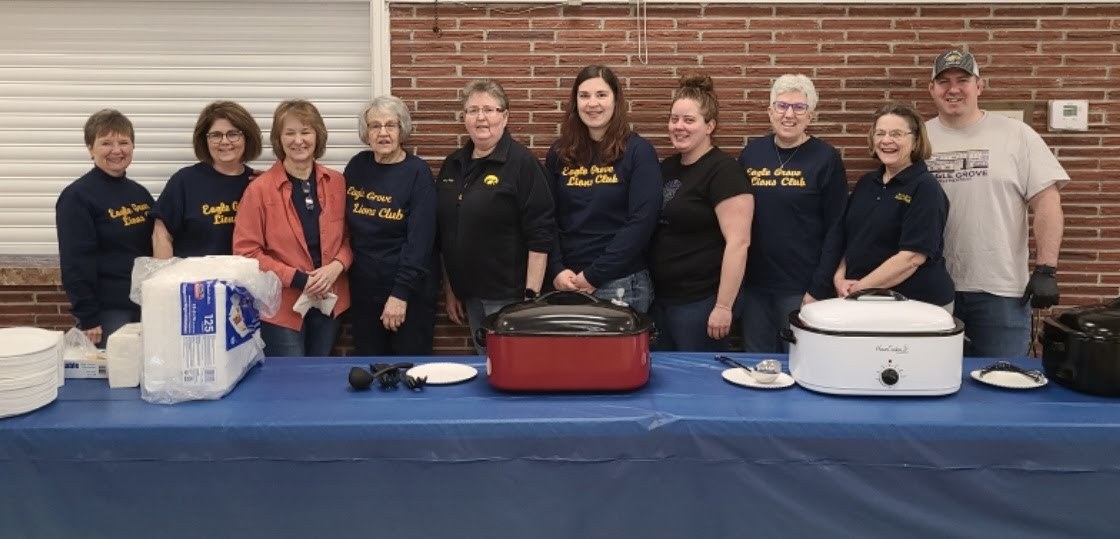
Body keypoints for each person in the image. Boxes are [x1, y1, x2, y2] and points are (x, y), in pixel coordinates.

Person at [925, 48, 1068, 358]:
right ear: (932, 89)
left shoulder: (1017, 135)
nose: (953, 89)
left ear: (979, 86)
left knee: (1004, 388)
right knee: (928, 386)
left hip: (999, 291)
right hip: (929, 289)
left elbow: (1047, 201)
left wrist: (1046, 269)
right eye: (944, 81)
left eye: (963, 79)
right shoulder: (917, 138)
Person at [436, 78, 556, 354]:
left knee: (513, 370)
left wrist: (530, 298)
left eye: (489, 110)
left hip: (509, 298)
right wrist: (452, 289)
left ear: (505, 116)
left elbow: (541, 233)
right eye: (473, 110)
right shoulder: (452, 164)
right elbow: (445, 230)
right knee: (488, 367)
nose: (481, 118)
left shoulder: (522, 164)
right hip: (470, 296)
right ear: (464, 117)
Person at [736, 74, 848, 353]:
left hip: (801, 289)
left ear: (810, 115)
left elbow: (837, 227)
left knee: (802, 364)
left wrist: (818, 288)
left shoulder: (826, 158)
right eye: (782, 106)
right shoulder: (752, 153)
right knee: (757, 368)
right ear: (770, 111)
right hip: (754, 288)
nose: (789, 114)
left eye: (799, 107)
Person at [233, 99, 351, 357]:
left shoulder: (337, 183)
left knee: (321, 376)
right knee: (289, 381)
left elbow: (351, 237)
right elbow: (246, 252)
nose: (299, 140)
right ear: (279, 138)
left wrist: (336, 267)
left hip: (329, 300)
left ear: (317, 136)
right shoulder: (259, 190)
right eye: (290, 132)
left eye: (306, 131)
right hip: (282, 306)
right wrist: (298, 279)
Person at [807, 103, 954, 310]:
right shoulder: (867, 183)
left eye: (897, 134)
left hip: (916, 305)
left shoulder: (925, 188)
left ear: (915, 141)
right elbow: (850, 240)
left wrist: (860, 288)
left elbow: (911, 258)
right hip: (864, 298)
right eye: (880, 133)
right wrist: (839, 278)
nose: (886, 140)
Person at [649, 74, 754, 352]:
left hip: (702, 303)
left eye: (689, 120)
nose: (678, 127)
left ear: (710, 126)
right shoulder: (666, 168)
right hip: (664, 300)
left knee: (698, 387)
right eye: (674, 119)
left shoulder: (724, 172)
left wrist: (723, 306)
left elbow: (739, 243)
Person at [544, 65, 661, 312]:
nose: (592, 103)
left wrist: (595, 275)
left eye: (601, 94)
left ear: (616, 100)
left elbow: (642, 222)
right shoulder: (559, 153)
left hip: (620, 283)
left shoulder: (638, 152)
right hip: (566, 283)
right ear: (575, 102)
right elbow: (547, 216)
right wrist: (556, 268)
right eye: (584, 95)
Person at [344, 95, 438, 356]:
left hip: (407, 294)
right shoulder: (356, 167)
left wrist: (400, 295)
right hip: (364, 293)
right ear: (366, 132)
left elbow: (420, 242)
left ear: (401, 130)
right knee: (369, 370)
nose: (383, 133)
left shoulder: (417, 173)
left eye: (390, 125)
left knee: (409, 374)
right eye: (375, 126)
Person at [56, 109, 155, 347]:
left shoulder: (139, 193)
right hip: (108, 313)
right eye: (106, 143)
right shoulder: (77, 197)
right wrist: (88, 317)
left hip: (146, 305)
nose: (117, 150)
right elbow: (75, 262)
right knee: (118, 379)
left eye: (124, 142)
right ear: (90, 148)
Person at [151, 101, 263, 258]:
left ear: (247, 137)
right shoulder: (184, 181)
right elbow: (161, 234)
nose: (225, 141)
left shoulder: (258, 184)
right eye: (216, 135)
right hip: (193, 281)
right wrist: (164, 278)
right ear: (205, 140)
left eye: (233, 134)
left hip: (245, 280)